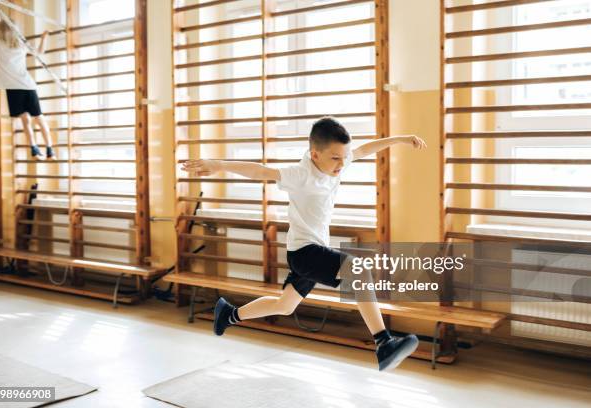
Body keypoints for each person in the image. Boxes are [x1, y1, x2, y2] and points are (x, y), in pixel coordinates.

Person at [182, 117, 428, 370]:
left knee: (285, 306)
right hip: (304, 252)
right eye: (335, 158)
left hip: (309, 250)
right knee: (359, 270)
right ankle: (383, 342)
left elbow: (365, 149)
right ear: (315, 154)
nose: (342, 163)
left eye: (344, 157)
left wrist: (399, 139)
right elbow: (259, 171)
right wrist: (219, 164)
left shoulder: (338, 161)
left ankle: (228, 314)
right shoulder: (300, 174)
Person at [0, 19, 55, 160]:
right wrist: (44, 37)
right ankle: (48, 148)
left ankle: (35, 147)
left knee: (26, 119)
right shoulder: (20, 44)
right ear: (15, 30)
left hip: (13, 89)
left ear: (0, 30)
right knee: (38, 118)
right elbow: (40, 52)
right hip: (26, 86)